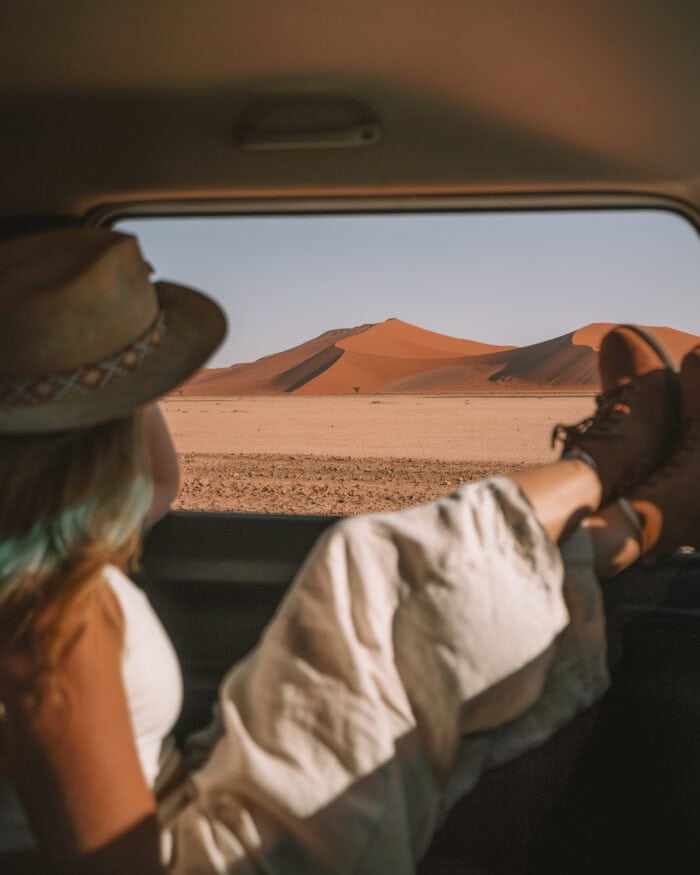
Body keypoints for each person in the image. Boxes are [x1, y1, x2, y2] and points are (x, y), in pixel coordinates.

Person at [0, 229, 696, 874]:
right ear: (91, 438)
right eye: (138, 400)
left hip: (195, 807)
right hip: (205, 855)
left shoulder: (52, 566)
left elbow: (158, 483)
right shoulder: (48, 623)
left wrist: (114, 391)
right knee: (370, 570)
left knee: (376, 589)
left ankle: (625, 509)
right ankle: (616, 475)